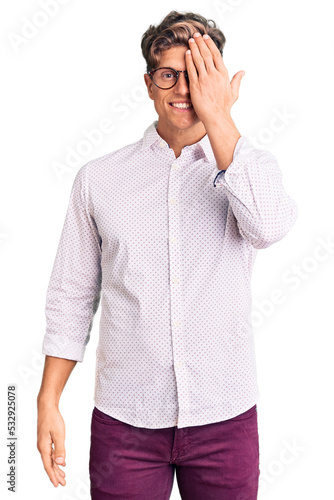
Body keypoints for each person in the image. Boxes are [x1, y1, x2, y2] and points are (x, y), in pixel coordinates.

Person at [37, 10, 298, 500]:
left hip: (226, 416)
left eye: (199, 74)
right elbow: (71, 296)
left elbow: (269, 227)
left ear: (218, 81)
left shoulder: (250, 168)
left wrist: (219, 115)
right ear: (148, 84)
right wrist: (48, 400)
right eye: (169, 75)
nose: (184, 89)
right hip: (126, 422)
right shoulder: (99, 180)